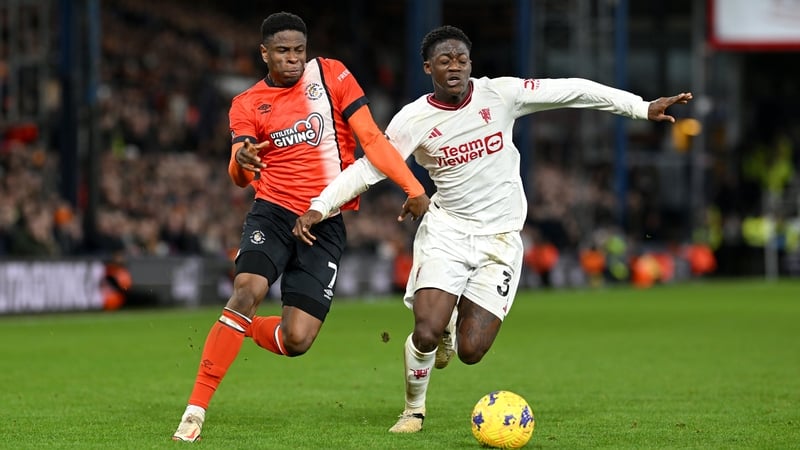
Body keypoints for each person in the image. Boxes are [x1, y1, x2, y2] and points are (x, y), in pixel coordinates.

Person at [293, 25, 692, 433]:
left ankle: (453, 324)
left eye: (462, 60)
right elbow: (370, 167)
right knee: (427, 330)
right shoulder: (414, 118)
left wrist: (640, 108)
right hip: (447, 232)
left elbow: (572, 89)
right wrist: (319, 206)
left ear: (471, 64)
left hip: (500, 240)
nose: (455, 67)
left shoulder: (501, 94)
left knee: (471, 351)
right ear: (428, 67)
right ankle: (414, 410)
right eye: (445, 61)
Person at [171, 12, 430, 442]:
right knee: (247, 290)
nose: (292, 60)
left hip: (325, 220)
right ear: (264, 53)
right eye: (282, 52)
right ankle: (195, 410)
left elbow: (371, 138)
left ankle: (238, 325)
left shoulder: (332, 75)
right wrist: (241, 161)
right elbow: (238, 172)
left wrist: (411, 185)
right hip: (271, 213)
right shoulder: (247, 103)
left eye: (298, 51)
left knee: (297, 339)